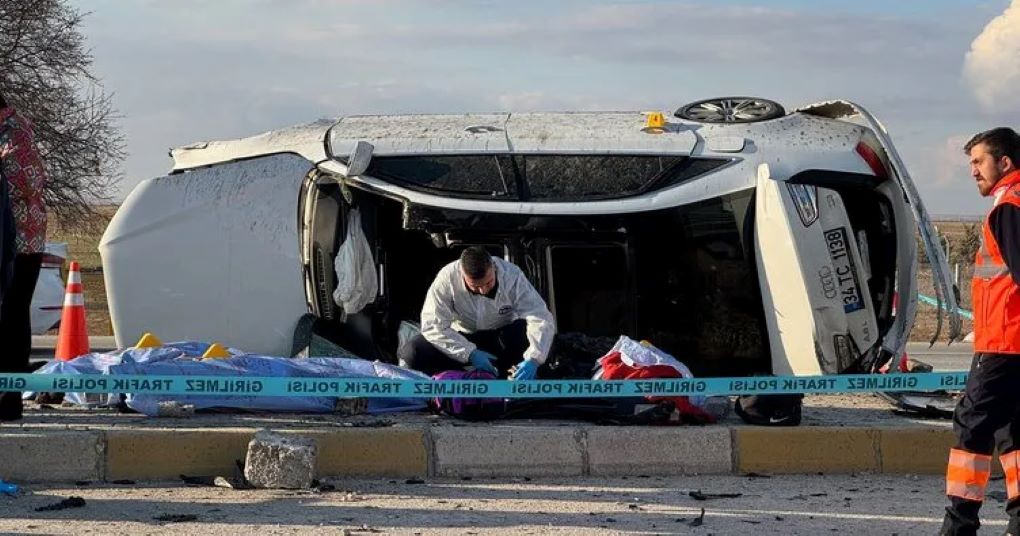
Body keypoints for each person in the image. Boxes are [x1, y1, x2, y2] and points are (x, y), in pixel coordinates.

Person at [941, 127, 1020, 536]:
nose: (973, 171)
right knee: (1013, 431)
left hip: (1006, 341)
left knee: (972, 424)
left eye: (978, 161)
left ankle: (959, 526)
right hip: (1010, 341)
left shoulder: (1009, 205)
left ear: (1004, 162)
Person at [398, 246, 556, 380]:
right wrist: (469, 353)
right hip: (462, 338)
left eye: (488, 283)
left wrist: (534, 358)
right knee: (413, 351)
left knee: (539, 341)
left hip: (502, 339)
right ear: (462, 274)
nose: (483, 290)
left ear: (493, 267)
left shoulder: (512, 276)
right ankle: (434, 392)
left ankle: (522, 382)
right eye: (475, 286)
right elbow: (433, 326)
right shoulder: (446, 279)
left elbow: (540, 316)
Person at [0, 94, 49, 422]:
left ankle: (9, 399)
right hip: (7, 241)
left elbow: (31, 181)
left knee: (12, 319)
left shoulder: (15, 133)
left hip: (20, 244)